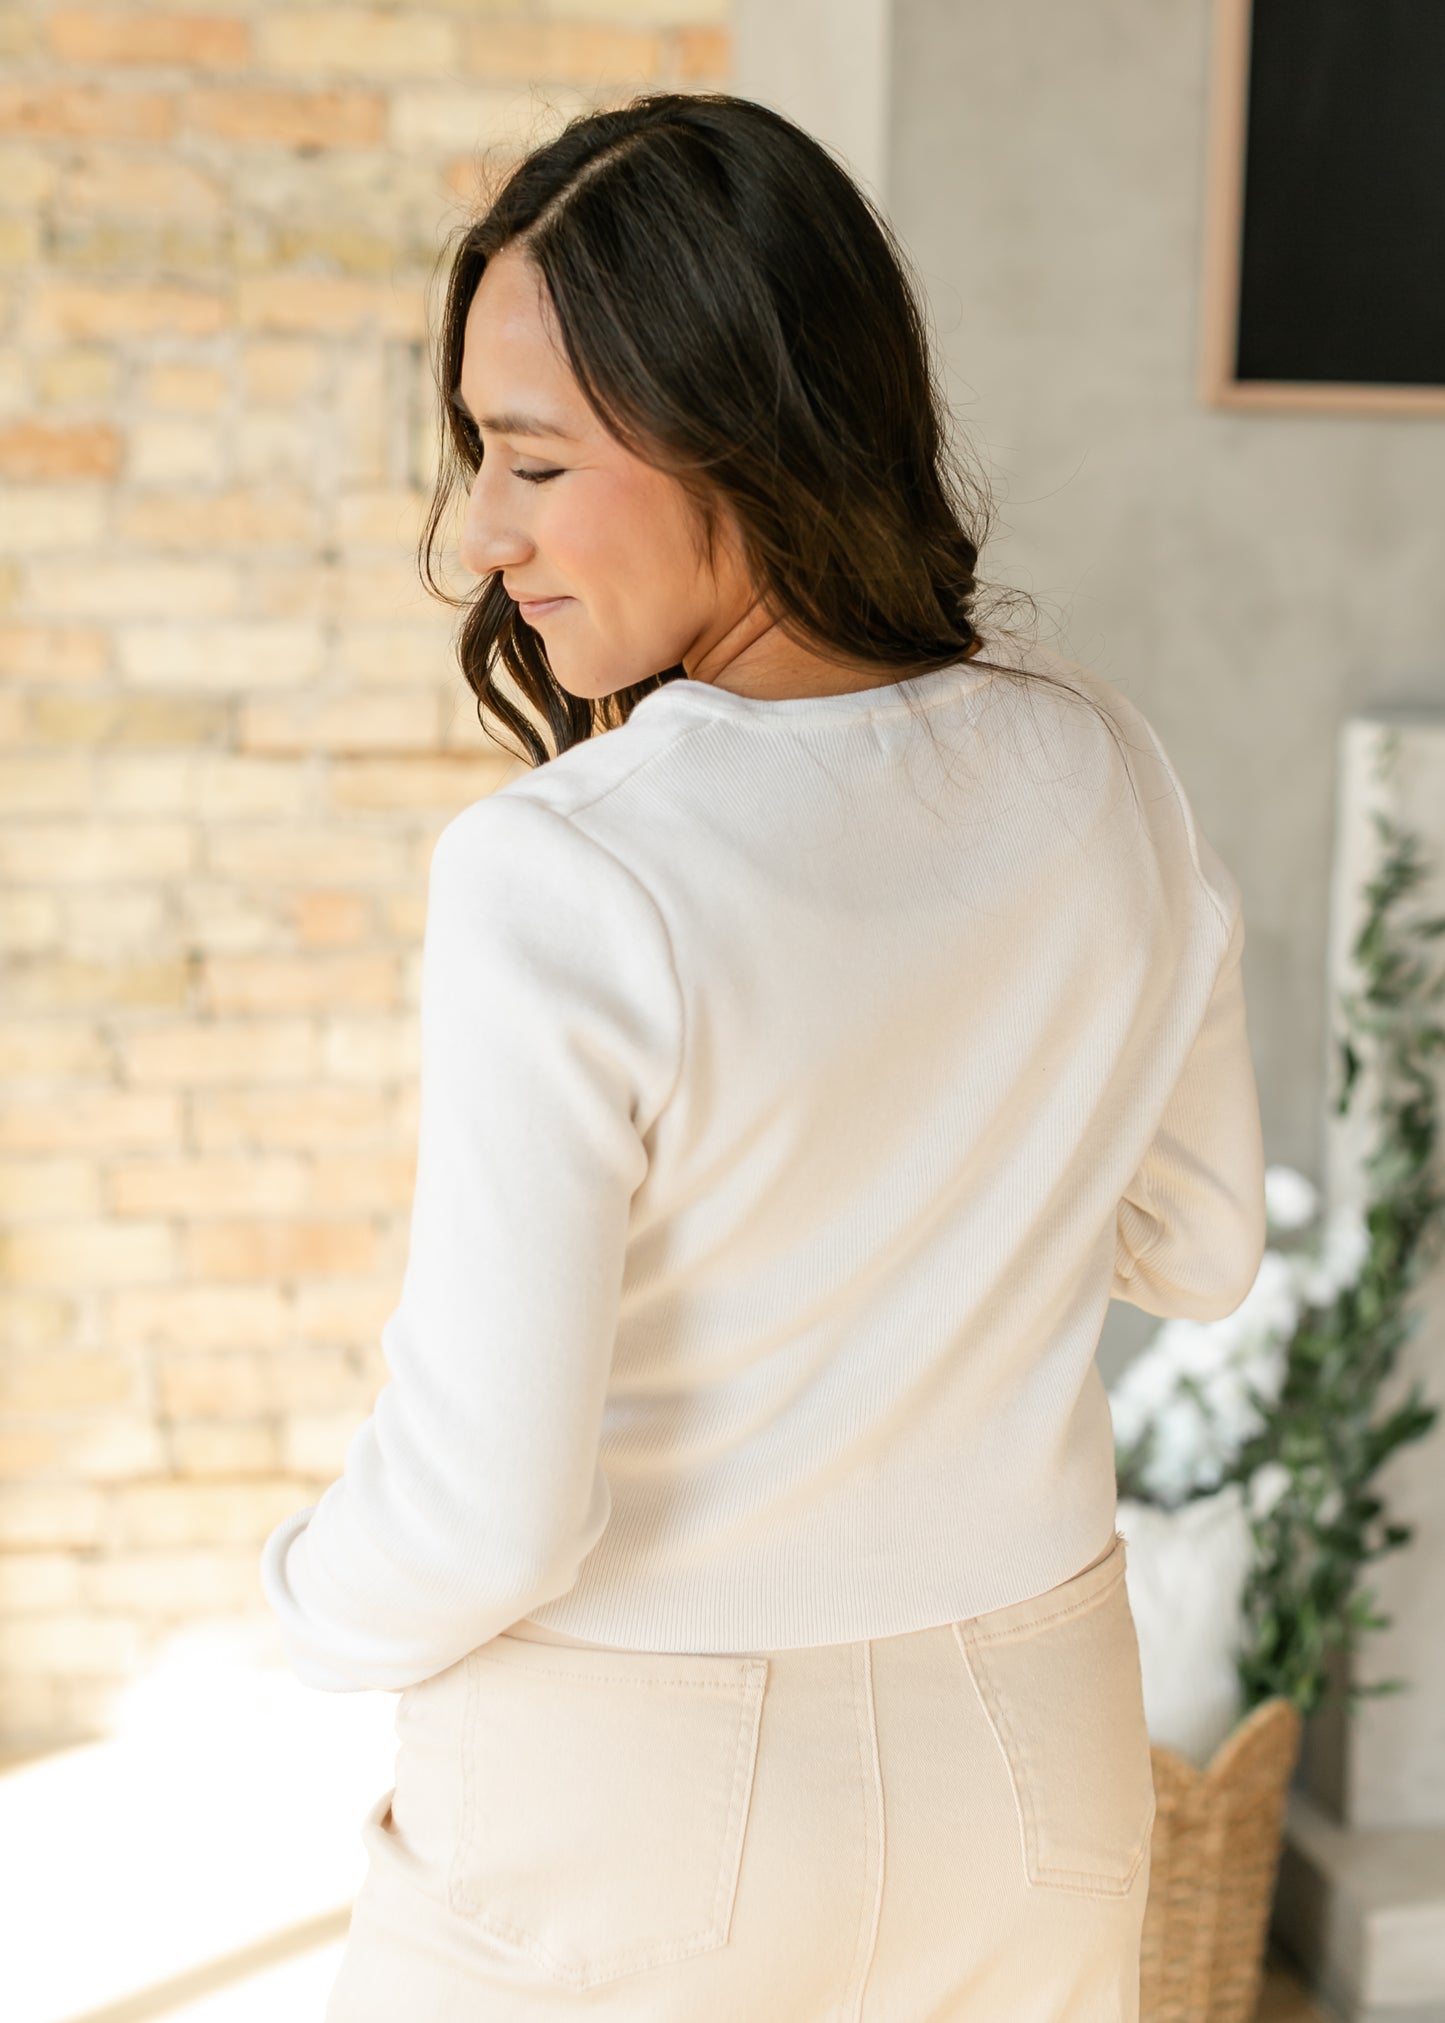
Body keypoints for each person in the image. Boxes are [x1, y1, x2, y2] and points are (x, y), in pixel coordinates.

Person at [260, 89, 1266, 2022]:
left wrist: (303, 1602)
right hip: (1029, 1759)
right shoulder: (1102, 767)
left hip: (631, 1803)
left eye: (532, 463)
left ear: (742, 436)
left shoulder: (562, 875)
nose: (480, 536)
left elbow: (486, 1511)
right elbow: (1201, 1247)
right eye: (479, 459)